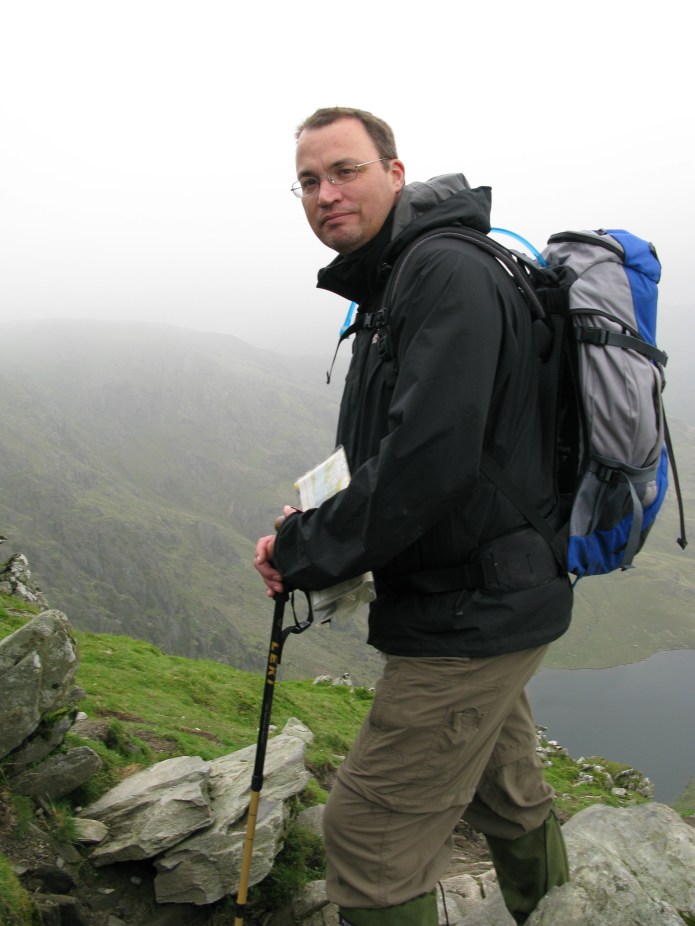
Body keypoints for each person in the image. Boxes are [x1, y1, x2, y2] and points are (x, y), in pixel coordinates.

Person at [254, 107, 572, 926]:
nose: (325, 194)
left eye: (345, 170)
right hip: (480, 594)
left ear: (395, 173)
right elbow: (390, 457)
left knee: (365, 838)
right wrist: (309, 531)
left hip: (471, 609)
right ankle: (563, 909)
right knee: (506, 791)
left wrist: (307, 551)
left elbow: (428, 462)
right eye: (309, 181)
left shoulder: (439, 272)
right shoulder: (396, 277)